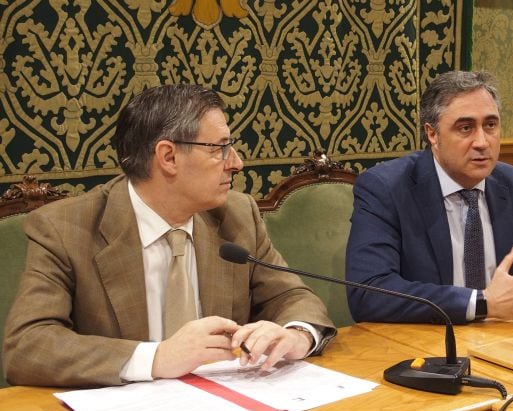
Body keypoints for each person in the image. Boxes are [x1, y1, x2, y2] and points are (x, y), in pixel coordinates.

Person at [3, 84, 336, 387]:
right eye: (219, 149)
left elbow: (291, 297)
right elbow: (28, 344)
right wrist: (158, 357)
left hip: (230, 408)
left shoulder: (237, 215)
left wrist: (296, 334)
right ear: (168, 157)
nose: (236, 162)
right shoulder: (65, 228)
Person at [345, 70, 513, 324]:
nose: (482, 142)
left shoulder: (512, 183)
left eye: (490, 125)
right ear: (432, 134)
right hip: (430, 346)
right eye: (465, 128)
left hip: (507, 340)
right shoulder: (387, 188)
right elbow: (368, 292)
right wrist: (482, 303)